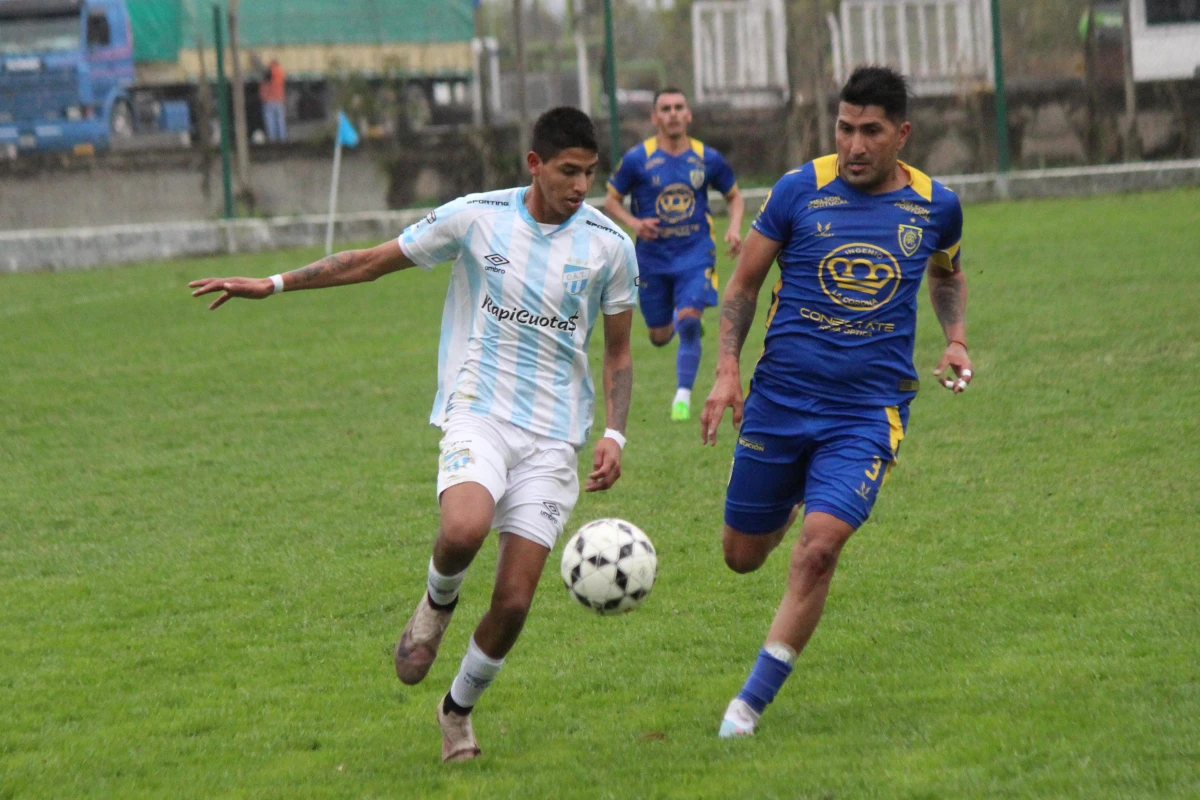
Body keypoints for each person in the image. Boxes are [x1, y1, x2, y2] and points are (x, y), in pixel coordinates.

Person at [189, 107, 639, 763]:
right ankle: (436, 604)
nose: (580, 186)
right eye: (568, 172)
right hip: (478, 411)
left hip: (553, 438)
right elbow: (371, 261)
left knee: (514, 602)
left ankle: (456, 712)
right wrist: (276, 283)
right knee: (462, 529)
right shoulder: (478, 216)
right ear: (534, 165)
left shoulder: (609, 246)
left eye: (590, 174)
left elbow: (621, 354)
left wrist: (615, 435)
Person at [699, 66, 974, 738]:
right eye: (845, 128)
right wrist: (728, 369)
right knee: (742, 555)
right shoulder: (799, 190)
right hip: (780, 401)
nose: (854, 144)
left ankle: (748, 707)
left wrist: (957, 339)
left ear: (901, 135)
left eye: (871, 131)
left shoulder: (936, 205)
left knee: (818, 550)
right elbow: (742, 285)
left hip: (867, 410)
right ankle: (799, 493)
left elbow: (946, 273)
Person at [604, 88, 744, 422]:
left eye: (679, 107)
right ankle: (680, 324)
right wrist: (635, 223)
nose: (673, 113)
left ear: (689, 114)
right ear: (655, 117)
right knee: (659, 336)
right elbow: (610, 200)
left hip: (696, 253)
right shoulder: (638, 159)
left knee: (691, 320)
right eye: (665, 108)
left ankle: (682, 397)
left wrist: (735, 228)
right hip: (652, 259)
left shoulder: (707, 158)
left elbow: (734, 197)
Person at [259, 58, 287, 142]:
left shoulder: (271, 71)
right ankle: (283, 139)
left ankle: (272, 140)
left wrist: (256, 60)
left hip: (270, 100)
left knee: (270, 121)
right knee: (280, 121)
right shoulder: (281, 72)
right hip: (279, 99)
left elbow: (264, 71)